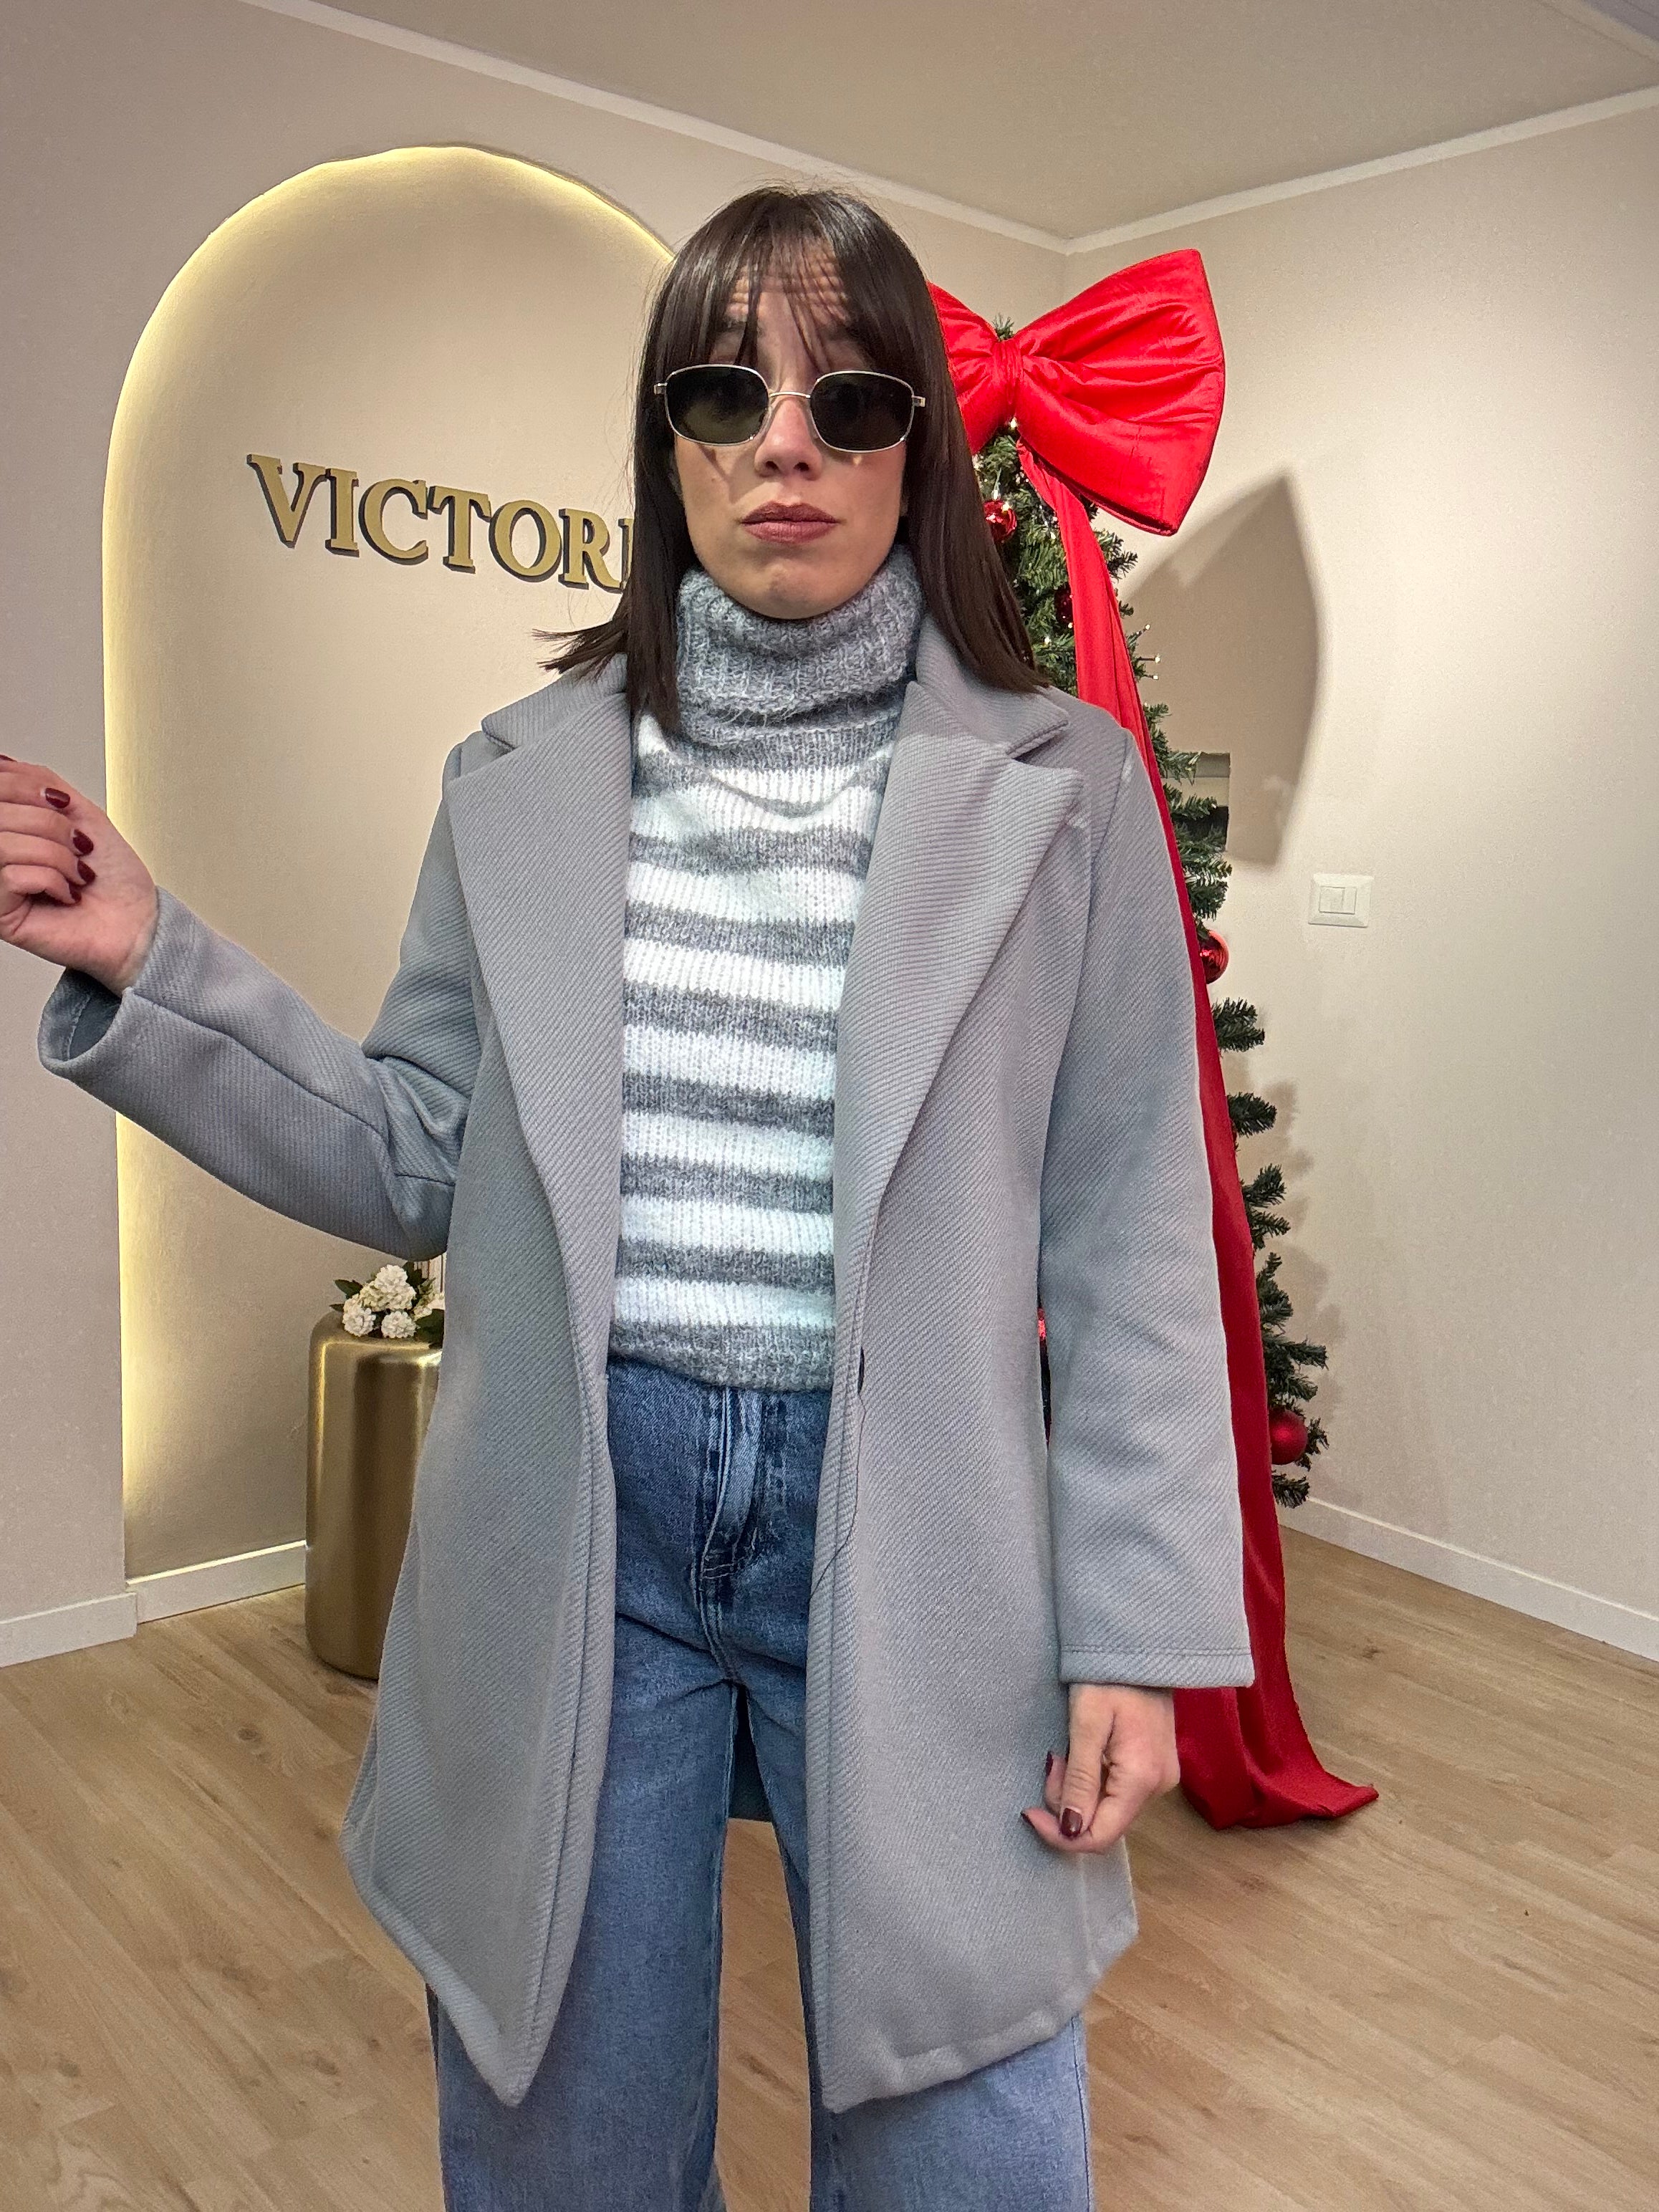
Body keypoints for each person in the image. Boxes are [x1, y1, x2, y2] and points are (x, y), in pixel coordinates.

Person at [4, 185, 1253, 2210]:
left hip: (923, 1528)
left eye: (851, 401)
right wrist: (157, 962)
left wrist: (1138, 1629)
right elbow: (415, 1149)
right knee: (563, 2134)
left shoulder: (1068, 795)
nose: (785, 446)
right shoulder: (518, 780)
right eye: (724, 394)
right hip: (579, 1517)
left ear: (917, 448)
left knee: (973, 2140)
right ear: (665, 442)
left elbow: (1127, 1247)